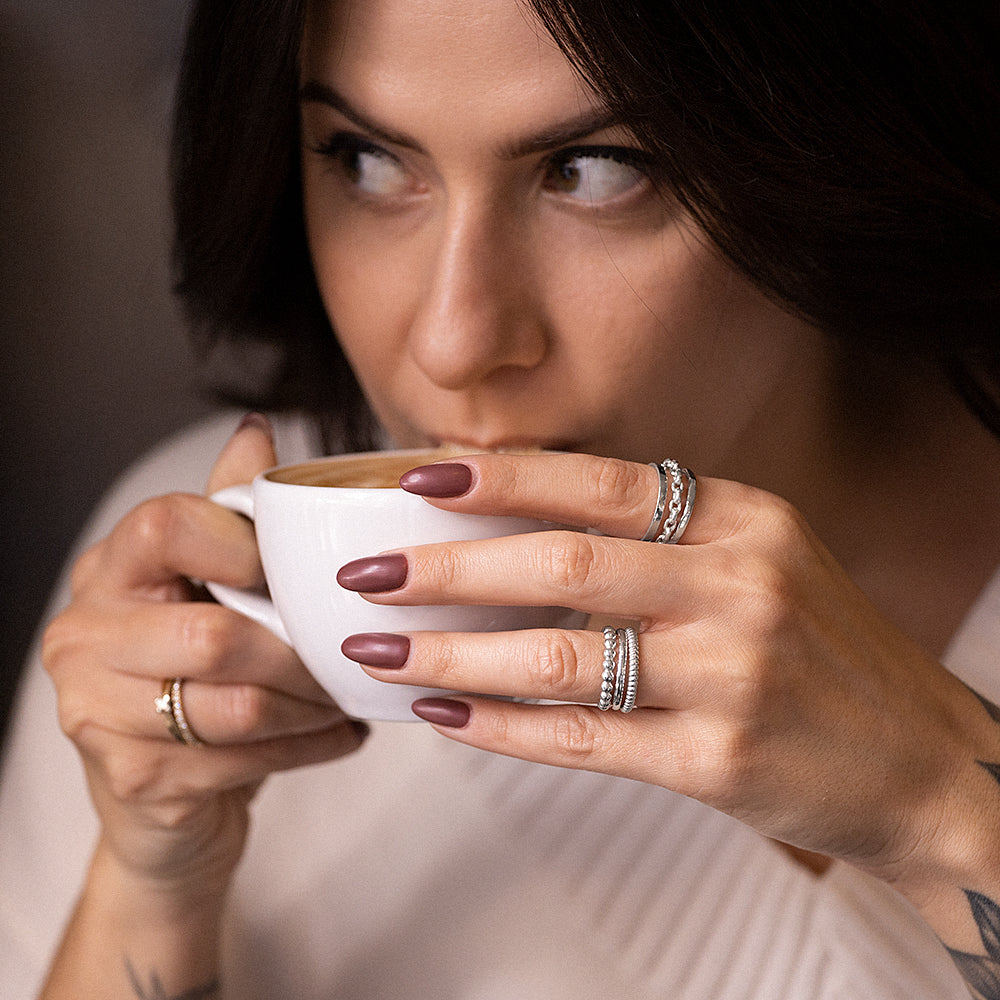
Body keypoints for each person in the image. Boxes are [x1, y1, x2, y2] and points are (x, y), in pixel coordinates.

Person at [2, 0, 999, 997]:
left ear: (824, 138)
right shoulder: (195, 602)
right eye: (365, 159)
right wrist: (149, 881)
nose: (453, 338)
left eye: (596, 169)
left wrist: (946, 805)